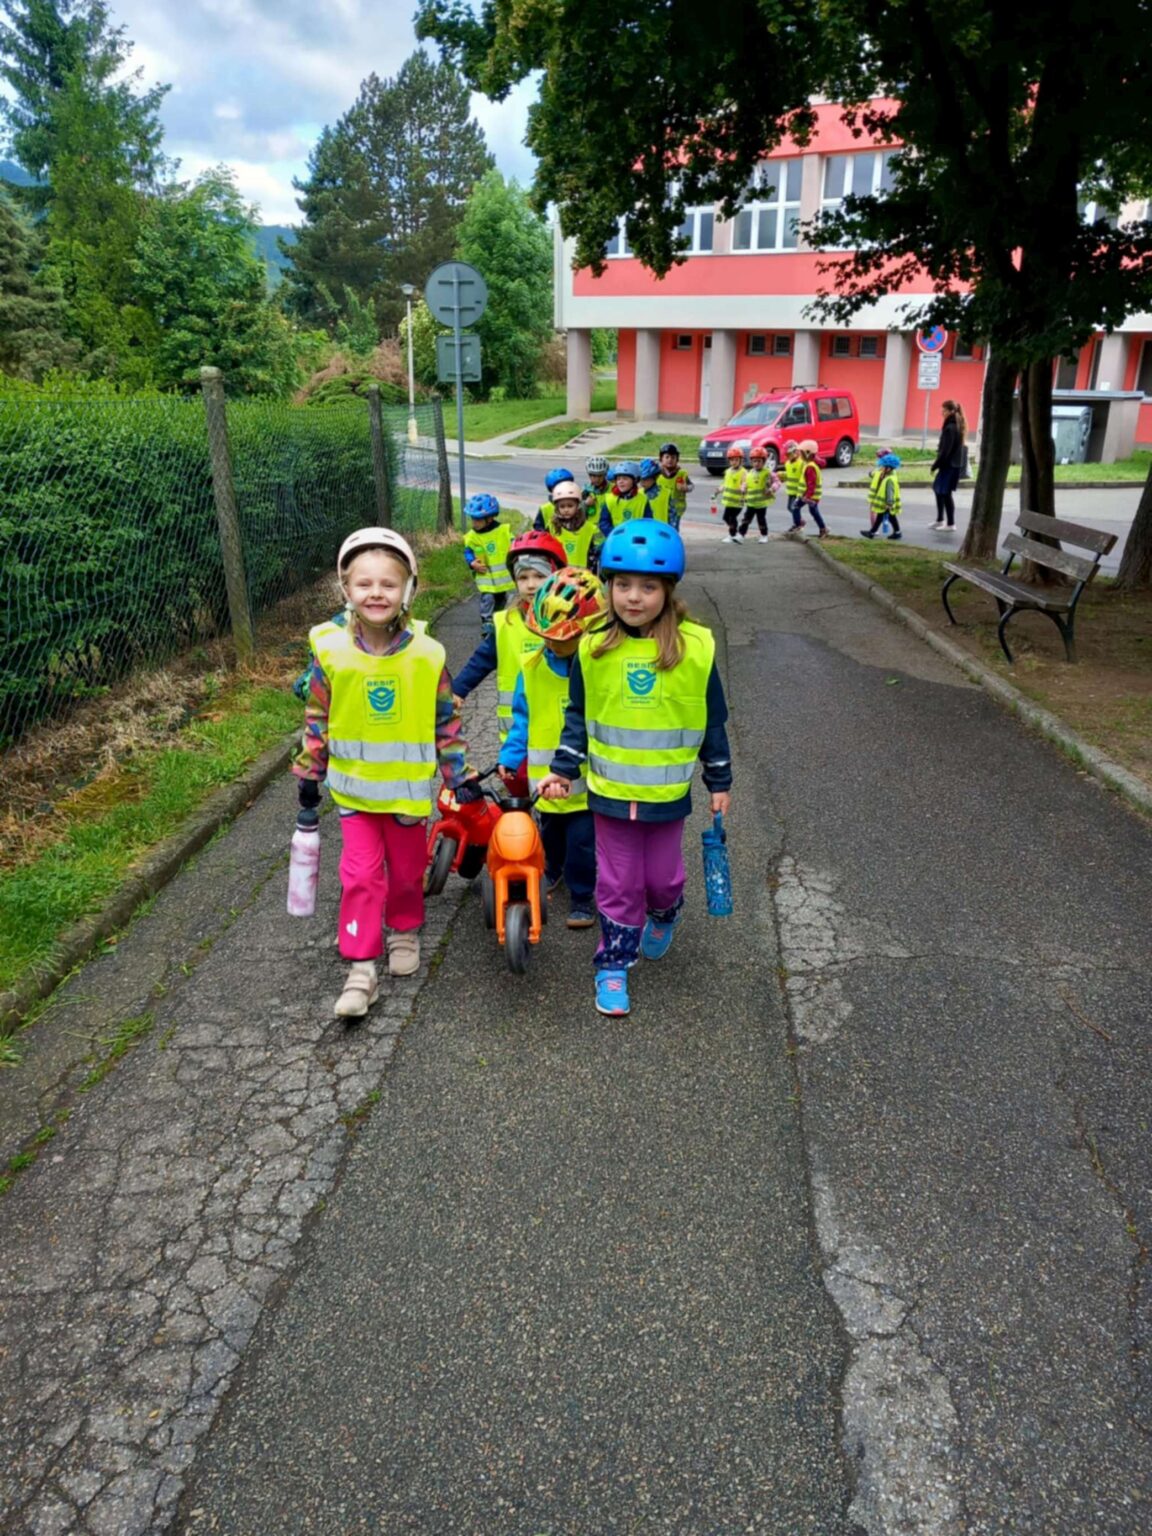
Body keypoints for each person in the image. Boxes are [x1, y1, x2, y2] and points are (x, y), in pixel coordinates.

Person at [537, 522, 733, 1018]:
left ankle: (665, 914)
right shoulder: (592, 647)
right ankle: (614, 963)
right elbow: (579, 716)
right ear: (607, 586)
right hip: (609, 795)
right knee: (619, 884)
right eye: (622, 584)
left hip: (667, 799)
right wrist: (563, 768)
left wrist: (719, 780)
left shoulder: (695, 649)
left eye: (648, 586)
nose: (633, 596)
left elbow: (712, 719)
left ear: (668, 590)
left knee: (663, 880)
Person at [293, 527, 479, 1019]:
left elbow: (445, 720)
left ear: (408, 589)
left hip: (406, 795)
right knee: (359, 875)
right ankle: (361, 969)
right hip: (354, 795)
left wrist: (458, 774)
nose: (376, 593)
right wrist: (311, 769)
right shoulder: (331, 652)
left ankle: (404, 929)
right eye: (364, 584)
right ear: (346, 588)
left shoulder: (427, 655)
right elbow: (317, 715)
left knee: (407, 872)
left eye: (388, 584)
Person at [499, 565, 609, 930]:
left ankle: (582, 897)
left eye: (559, 638)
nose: (550, 644)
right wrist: (511, 756)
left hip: (586, 787)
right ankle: (553, 869)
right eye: (543, 635)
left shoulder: (599, 670)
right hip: (545, 784)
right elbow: (522, 718)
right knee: (550, 836)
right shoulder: (531, 668)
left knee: (582, 845)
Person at [452, 529, 567, 757]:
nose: (531, 585)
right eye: (523, 578)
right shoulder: (505, 623)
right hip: (518, 738)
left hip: (563, 732)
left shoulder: (571, 622)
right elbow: (481, 661)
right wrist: (458, 690)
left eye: (540, 576)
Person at [463, 493, 515, 634]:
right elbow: (468, 552)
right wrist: (472, 563)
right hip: (485, 575)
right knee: (488, 598)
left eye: (478, 520)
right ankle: (487, 621)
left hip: (502, 578)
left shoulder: (503, 531)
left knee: (501, 599)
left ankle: (497, 619)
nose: (474, 523)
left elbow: (514, 543)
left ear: (490, 518)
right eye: (473, 519)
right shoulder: (472, 536)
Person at [543, 480, 602, 570]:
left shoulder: (591, 528)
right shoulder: (551, 526)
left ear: (578, 505)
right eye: (562, 506)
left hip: (583, 575)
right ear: (557, 508)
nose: (566, 510)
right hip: (558, 575)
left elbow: (602, 546)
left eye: (570, 506)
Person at [930, 400, 966, 531]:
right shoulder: (955, 425)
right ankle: (940, 520)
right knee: (938, 489)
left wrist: (935, 465)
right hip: (950, 465)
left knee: (945, 493)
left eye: (944, 411)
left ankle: (950, 524)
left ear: (951, 411)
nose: (942, 413)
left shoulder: (951, 427)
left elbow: (946, 450)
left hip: (949, 466)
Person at [737, 446, 781, 542]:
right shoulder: (749, 473)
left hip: (761, 504)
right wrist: (743, 488)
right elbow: (745, 483)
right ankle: (741, 535)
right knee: (746, 520)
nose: (756, 463)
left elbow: (777, 482)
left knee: (761, 520)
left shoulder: (768, 473)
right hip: (751, 503)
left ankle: (764, 535)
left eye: (759, 461)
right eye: (754, 461)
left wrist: (772, 489)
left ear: (764, 461)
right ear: (751, 462)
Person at [598, 462, 651, 537]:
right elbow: (603, 523)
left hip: (635, 539)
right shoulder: (610, 499)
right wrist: (615, 534)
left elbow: (648, 523)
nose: (620, 481)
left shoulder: (643, 500)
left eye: (625, 479)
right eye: (618, 479)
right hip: (615, 538)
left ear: (635, 480)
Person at [859, 453, 903, 540]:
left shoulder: (889, 479)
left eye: (883, 467)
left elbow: (890, 492)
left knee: (883, 516)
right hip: (886, 503)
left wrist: (889, 503)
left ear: (888, 468)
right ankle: (897, 532)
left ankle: (872, 533)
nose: (881, 468)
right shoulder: (889, 476)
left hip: (887, 503)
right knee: (889, 517)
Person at [795, 440, 829, 538]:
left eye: (801, 452)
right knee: (813, 511)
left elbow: (811, 484)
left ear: (807, 453)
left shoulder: (810, 467)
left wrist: (807, 496)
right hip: (810, 495)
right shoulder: (810, 463)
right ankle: (823, 529)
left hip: (810, 495)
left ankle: (799, 526)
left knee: (795, 507)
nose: (800, 454)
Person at [656, 442, 693, 528]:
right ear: (661, 458)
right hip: (660, 508)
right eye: (667, 457)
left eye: (673, 457)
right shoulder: (656, 473)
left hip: (676, 510)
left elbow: (691, 486)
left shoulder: (681, 473)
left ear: (677, 459)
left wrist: (686, 488)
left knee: (673, 529)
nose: (670, 460)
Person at [715, 445, 746, 542]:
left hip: (737, 501)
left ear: (741, 460)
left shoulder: (743, 472)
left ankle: (732, 535)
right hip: (729, 501)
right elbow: (725, 483)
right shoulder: (728, 471)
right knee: (725, 518)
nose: (734, 462)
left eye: (736, 460)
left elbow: (745, 483)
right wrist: (719, 489)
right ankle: (735, 532)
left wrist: (743, 488)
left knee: (732, 518)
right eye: (732, 460)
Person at [639, 458, 673, 522]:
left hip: (661, 527)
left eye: (646, 479)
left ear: (655, 477)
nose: (642, 482)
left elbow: (673, 517)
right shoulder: (638, 494)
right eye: (640, 479)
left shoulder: (666, 494)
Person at [781, 440, 805, 530]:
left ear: (795, 452)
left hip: (798, 491)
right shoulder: (787, 464)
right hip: (791, 491)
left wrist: (802, 490)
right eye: (786, 455)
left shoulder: (801, 463)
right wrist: (783, 476)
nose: (787, 456)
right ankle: (798, 522)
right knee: (790, 507)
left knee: (794, 508)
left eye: (789, 454)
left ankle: (798, 524)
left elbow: (804, 476)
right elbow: (789, 475)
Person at [583, 454, 611, 520]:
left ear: (605, 474)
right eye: (593, 476)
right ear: (589, 475)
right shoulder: (585, 491)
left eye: (600, 475)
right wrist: (585, 504)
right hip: (591, 525)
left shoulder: (614, 489)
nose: (597, 479)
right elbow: (576, 512)